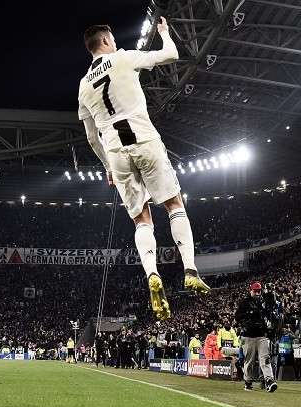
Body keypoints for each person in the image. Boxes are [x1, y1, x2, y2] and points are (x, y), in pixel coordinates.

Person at [78, 17, 210, 321]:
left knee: (141, 220)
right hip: (143, 139)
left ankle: (152, 273)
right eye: (112, 38)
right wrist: (164, 33)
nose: (114, 42)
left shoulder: (83, 86)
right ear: (106, 41)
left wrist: (107, 167)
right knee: (174, 204)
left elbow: (91, 137)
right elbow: (171, 55)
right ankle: (190, 269)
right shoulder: (123, 58)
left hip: (115, 151)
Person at [235, 281, 277, 392]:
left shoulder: (263, 302)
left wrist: (271, 295)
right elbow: (237, 317)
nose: (258, 293)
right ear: (251, 291)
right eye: (255, 291)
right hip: (248, 335)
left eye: (259, 291)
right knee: (249, 361)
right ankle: (248, 381)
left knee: (265, 359)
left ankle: (269, 380)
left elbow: (271, 307)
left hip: (261, 335)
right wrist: (249, 315)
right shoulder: (245, 302)